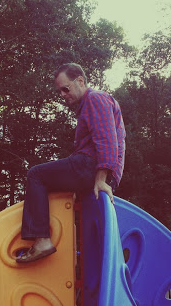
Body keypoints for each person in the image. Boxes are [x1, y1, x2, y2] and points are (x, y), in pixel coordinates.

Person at [17, 63, 126, 263]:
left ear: (80, 81)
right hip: (92, 168)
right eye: (59, 91)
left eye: (65, 88)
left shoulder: (95, 99)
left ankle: (42, 240)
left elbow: (107, 139)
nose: (62, 94)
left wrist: (101, 179)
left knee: (36, 175)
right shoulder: (91, 104)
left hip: (90, 165)